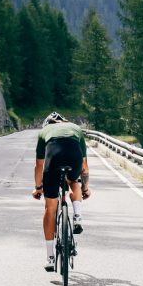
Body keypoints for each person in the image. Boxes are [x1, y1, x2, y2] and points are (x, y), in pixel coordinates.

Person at [32, 112, 91, 272]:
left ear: (48, 123)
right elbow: (84, 166)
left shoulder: (45, 131)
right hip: (74, 157)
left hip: (54, 158)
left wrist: (38, 188)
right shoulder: (76, 128)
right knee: (73, 181)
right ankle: (77, 216)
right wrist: (85, 188)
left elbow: (39, 164)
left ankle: (50, 257)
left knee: (50, 208)